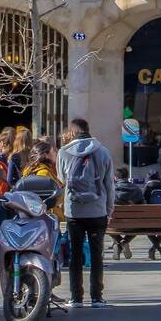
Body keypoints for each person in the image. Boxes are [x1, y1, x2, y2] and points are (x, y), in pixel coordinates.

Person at [57, 116, 115, 309]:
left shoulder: (64, 152)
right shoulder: (103, 152)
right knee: (97, 254)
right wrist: (109, 210)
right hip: (97, 210)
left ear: (73, 132)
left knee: (75, 254)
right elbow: (109, 185)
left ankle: (76, 297)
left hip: (74, 211)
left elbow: (62, 179)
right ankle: (97, 297)